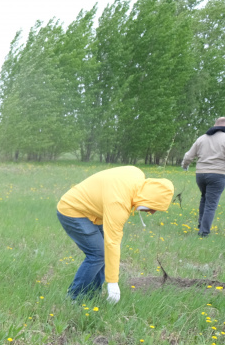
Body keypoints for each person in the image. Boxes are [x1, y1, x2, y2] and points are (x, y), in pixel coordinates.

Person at [56, 166, 174, 303]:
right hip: (73, 210)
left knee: (103, 254)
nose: (152, 212)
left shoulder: (136, 173)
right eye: (154, 207)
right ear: (149, 198)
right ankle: (74, 298)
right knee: (98, 254)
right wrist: (113, 283)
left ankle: (92, 296)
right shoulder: (118, 204)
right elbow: (112, 243)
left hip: (94, 210)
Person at [181, 117, 225, 237]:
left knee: (204, 198)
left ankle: (201, 226)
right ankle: (204, 232)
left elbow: (189, 156)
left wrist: (185, 166)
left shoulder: (202, 138)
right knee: (211, 204)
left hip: (200, 174)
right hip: (218, 174)